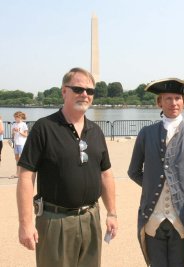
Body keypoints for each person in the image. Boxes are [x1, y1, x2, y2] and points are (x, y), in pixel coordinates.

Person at [16, 67, 118, 267]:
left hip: (90, 218)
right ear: (64, 91)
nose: (85, 95)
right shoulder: (44, 128)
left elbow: (106, 174)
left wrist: (112, 212)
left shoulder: (96, 131)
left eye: (90, 91)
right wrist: (25, 223)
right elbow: (26, 176)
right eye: (78, 89)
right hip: (55, 221)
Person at [127, 78, 184, 267]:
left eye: (178, 98)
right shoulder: (146, 133)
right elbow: (133, 171)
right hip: (152, 217)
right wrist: (154, 187)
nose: (173, 103)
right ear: (159, 102)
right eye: (168, 98)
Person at [11, 111, 28, 178]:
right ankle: (17, 173)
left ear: (20, 117)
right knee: (16, 158)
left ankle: (23, 173)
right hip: (16, 143)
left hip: (21, 143)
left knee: (22, 158)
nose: (15, 119)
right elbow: (12, 135)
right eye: (15, 117)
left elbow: (26, 135)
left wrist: (19, 131)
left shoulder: (24, 124)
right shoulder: (14, 124)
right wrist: (13, 132)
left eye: (16, 117)